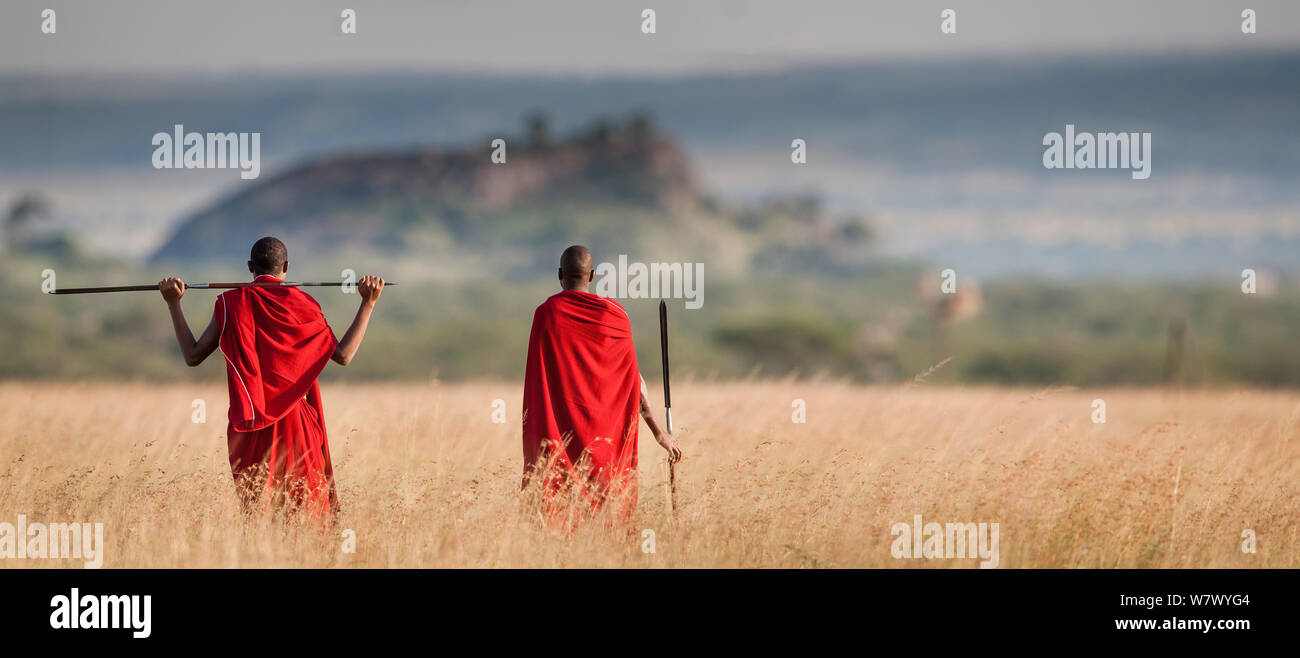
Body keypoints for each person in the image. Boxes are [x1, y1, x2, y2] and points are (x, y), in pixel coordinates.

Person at [157, 236, 384, 522]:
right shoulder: (304, 303)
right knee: (307, 518)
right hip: (296, 424)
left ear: (250, 266)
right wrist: (368, 303)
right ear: (286, 266)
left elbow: (192, 355)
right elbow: (343, 355)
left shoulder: (231, 303)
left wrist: (173, 304)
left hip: (250, 426)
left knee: (259, 519)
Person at [522, 245, 681, 519]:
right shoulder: (614, 315)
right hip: (605, 448)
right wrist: (659, 433)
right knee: (608, 523)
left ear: (560, 274)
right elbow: (635, 383)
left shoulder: (546, 314)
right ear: (592, 275)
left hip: (558, 445)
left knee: (556, 521)